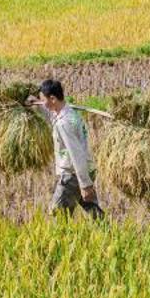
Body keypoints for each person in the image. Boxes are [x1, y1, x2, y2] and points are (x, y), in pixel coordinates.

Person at [34, 79, 103, 219]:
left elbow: (76, 154)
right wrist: (35, 104)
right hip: (86, 170)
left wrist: (85, 184)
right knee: (92, 210)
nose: (42, 103)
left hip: (73, 175)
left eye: (43, 100)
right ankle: (110, 233)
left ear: (52, 99)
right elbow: (52, 116)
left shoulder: (64, 123)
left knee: (57, 213)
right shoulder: (70, 114)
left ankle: (61, 240)